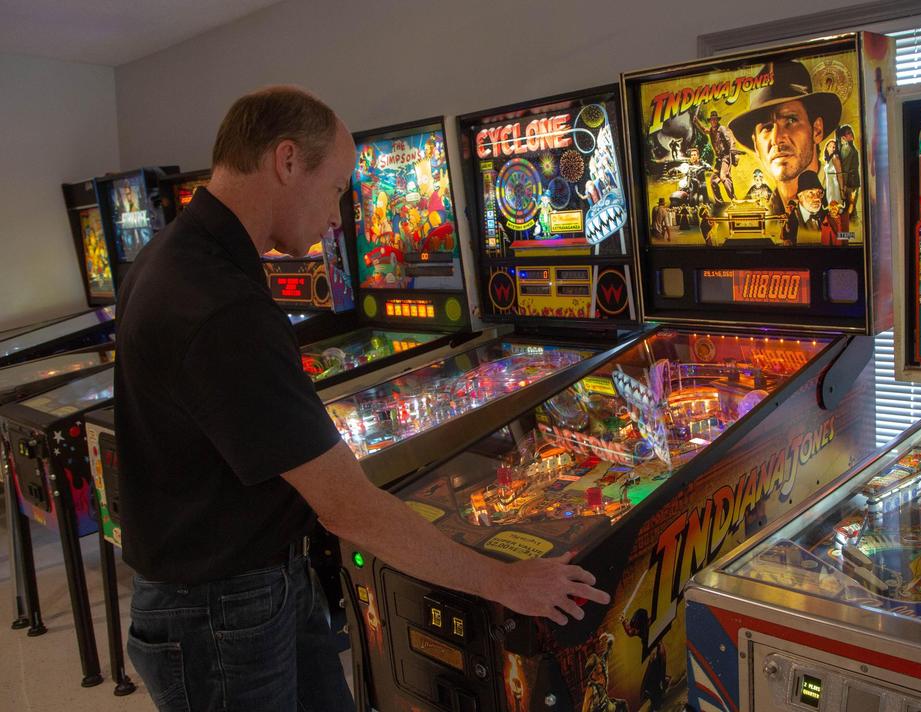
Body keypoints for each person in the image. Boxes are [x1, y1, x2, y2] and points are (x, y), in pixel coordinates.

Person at [114, 86, 609, 712]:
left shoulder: (171, 257)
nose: (337, 218)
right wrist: (502, 580)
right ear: (287, 161)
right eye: (337, 188)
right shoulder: (219, 301)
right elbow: (347, 509)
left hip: (249, 581)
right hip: (219, 610)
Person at [728, 60, 841, 217]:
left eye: (790, 120)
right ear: (756, 145)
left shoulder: (838, 203)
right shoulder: (768, 215)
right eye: (767, 127)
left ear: (816, 130)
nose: (776, 139)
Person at [694, 110, 739, 202]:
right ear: (710, 121)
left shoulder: (722, 128)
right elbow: (704, 130)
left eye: (715, 120)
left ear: (717, 120)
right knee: (713, 181)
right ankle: (719, 203)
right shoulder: (711, 130)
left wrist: (733, 152)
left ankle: (733, 199)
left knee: (723, 176)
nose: (713, 121)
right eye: (712, 120)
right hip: (719, 159)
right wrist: (697, 122)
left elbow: (730, 139)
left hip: (726, 157)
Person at [781, 171, 825, 245]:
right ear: (800, 196)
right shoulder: (789, 220)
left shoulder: (826, 216)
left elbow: (843, 236)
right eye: (811, 193)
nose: (817, 198)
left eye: (819, 193)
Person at [836, 124, 861, 220]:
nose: (852, 134)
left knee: (851, 207)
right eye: (848, 133)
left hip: (853, 182)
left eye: (851, 132)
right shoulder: (847, 148)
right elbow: (845, 169)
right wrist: (844, 185)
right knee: (850, 208)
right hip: (850, 183)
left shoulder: (850, 146)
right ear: (843, 137)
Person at [822, 139, 844, 207]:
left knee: (836, 207)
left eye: (834, 147)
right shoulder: (827, 160)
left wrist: (842, 190)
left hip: (835, 187)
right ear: (827, 147)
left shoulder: (835, 157)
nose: (832, 148)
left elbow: (840, 175)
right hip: (829, 187)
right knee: (831, 207)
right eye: (831, 146)